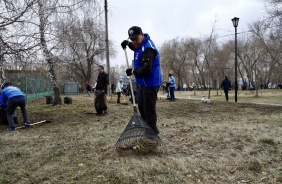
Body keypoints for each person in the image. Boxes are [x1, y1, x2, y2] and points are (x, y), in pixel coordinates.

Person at [121, 26, 162, 134]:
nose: (134, 42)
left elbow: (146, 70)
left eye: (136, 39)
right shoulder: (140, 45)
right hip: (142, 83)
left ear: (142, 35)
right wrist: (128, 44)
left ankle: (152, 133)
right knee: (142, 108)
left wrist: (133, 71)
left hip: (150, 83)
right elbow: (136, 48)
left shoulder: (148, 49)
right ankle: (147, 129)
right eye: (132, 39)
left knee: (149, 110)